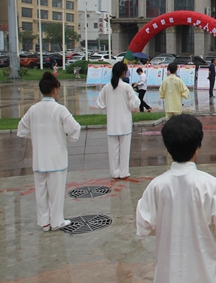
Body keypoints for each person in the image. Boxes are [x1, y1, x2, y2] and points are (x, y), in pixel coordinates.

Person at [137, 114, 216, 283]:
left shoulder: (156, 186)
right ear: (198, 147)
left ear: (167, 147)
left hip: (169, 274)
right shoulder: (211, 186)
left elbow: (144, 224)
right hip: (205, 274)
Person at [17, 72, 81, 231]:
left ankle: (44, 222)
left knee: (41, 192)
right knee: (56, 192)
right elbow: (75, 128)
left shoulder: (33, 109)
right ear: (54, 90)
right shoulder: (59, 109)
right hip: (56, 158)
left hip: (39, 158)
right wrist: (68, 137)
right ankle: (56, 221)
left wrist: (35, 136)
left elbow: (21, 129)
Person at [96, 62, 141, 179]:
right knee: (124, 151)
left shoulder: (106, 87)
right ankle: (124, 172)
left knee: (113, 152)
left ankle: (114, 173)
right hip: (124, 123)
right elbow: (135, 103)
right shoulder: (126, 87)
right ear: (123, 72)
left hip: (112, 124)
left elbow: (99, 103)